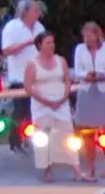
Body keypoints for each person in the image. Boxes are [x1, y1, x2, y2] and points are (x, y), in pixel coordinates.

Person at [71, 21, 105, 181]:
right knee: (87, 131)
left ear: (97, 35)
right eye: (84, 37)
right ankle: (90, 168)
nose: (87, 40)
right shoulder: (80, 49)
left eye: (89, 36)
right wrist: (86, 75)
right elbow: (77, 71)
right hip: (87, 91)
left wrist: (102, 75)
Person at [23, 32, 76, 182]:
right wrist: (45, 101)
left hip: (61, 102)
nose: (52, 45)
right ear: (40, 45)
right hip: (42, 104)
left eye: (53, 42)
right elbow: (27, 86)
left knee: (67, 134)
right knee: (44, 137)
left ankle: (76, 168)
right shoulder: (32, 64)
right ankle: (47, 169)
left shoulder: (61, 60)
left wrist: (64, 97)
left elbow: (67, 80)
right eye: (48, 43)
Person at [0, 0, 47, 150]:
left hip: (38, 75)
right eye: (35, 10)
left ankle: (35, 140)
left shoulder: (39, 27)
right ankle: (15, 143)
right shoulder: (12, 27)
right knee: (20, 111)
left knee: (36, 109)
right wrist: (27, 43)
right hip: (19, 75)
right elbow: (6, 50)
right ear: (25, 12)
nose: (39, 13)